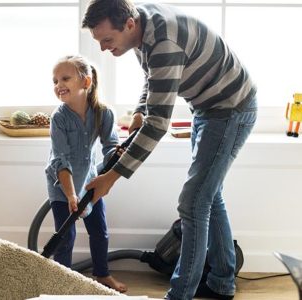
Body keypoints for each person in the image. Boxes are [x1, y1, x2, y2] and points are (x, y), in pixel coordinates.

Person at [81, 1, 257, 299]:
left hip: (230, 109)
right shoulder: (140, 27)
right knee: (208, 196)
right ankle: (222, 282)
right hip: (206, 107)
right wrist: (140, 109)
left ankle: (179, 295)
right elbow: (156, 77)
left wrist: (111, 177)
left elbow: (158, 125)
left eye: (107, 40)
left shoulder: (164, 41)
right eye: (99, 42)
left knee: (193, 203)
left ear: (128, 25)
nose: (103, 49)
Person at [46, 55, 127, 293]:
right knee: (66, 237)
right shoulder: (59, 118)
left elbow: (110, 147)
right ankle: (63, 282)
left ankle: (102, 274)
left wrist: (116, 154)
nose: (58, 84)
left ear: (86, 82)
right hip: (62, 186)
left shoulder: (104, 113)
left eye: (65, 78)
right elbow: (59, 160)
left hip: (92, 182)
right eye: (54, 80)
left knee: (99, 231)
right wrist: (71, 195)